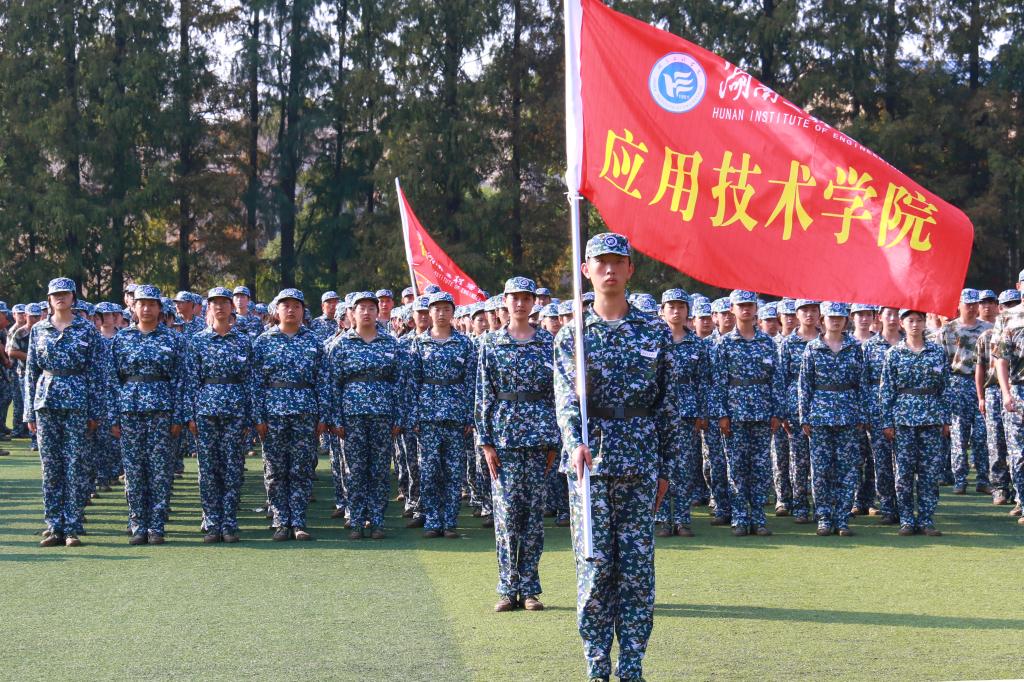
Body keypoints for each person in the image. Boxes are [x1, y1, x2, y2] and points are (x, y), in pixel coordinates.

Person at [553, 233, 673, 682]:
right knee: (594, 570)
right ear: (586, 271)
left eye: (617, 262)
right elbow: (565, 398)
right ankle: (597, 667)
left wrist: (667, 469)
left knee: (637, 574)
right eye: (599, 262)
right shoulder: (573, 335)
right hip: (591, 468)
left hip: (640, 465)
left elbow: (668, 404)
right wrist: (573, 443)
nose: (609, 269)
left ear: (629, 269)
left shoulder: (654, 332)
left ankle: (633, 666)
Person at [476, 277, 558, 612]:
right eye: (515, 298)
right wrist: (486, 442)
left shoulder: (548, 342)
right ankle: (508, 588)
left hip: (539, 438)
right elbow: (484, 394)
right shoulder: (491, 342)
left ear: (534, 302)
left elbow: (557, 393)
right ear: (505, 302)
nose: (521, 304)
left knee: (533, 516)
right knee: (507, 515)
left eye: (526, 298)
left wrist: (556, 440)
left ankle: (530, 589)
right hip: (504, 438)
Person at [24, 278, 106, 547]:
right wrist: (29, 413)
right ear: (49, 299)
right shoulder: (38, 329)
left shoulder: (87, 329)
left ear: (73, 298)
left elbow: (96, 373)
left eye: (65, 294)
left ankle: (72, 526)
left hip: (77, 403)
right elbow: (31, 372)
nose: (60, 298)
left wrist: (95, 412)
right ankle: (54, 526)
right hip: (46, 402)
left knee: (75, 465)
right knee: (50, 466)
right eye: (55, 294)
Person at [108, 284, 187, 545]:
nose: (146, 309)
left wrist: (178, 416)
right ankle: (137, 524)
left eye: (152, 304)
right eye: (142, 304)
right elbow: (112, 381)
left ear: (159, 308)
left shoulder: (173, 339)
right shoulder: (122, 339)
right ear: (133, 307)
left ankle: (156, 526)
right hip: (129, 410)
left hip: (162, 411)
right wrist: (113, 417)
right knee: (133, 469)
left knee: (160, 469)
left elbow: (181, 380)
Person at [328, 291, 408, 540]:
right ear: (351, 313)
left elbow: (400, 383)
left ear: (377, 312)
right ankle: (355, 519)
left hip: (383, 415)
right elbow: (333, 385)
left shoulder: (391, 344)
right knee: (354, 470)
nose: (366, 312)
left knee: (380, 470)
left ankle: (377, 520)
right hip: (352, 416)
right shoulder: (341, 345)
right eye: (360, 308)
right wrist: (336, 419)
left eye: (371, 308)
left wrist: (399, 418)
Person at [252, 289, 331, 541]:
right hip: (273, 413)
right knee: (275, 469)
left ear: (303, 311)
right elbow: (255, 383)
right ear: (276, 311)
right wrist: (258, 417)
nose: (291, 310)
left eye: (296, 306)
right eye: (285, 305)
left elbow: (323, 381)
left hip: (305, 412)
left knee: (302, 468)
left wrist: (323, 416)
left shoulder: (314, 341)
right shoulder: (263, 342)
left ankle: (298, 521)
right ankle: (280, 521)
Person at [711, 290, 785, 536]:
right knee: (737, 468)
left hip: (762, 413)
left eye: (749, 305)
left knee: (761, 468)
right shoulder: (724, 343)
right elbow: (718, 382)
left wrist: (777, 412)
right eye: (740, 305)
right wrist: (722, 414)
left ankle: (759, 518)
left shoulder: (767, 343)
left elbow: (776, 380)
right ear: (732, 309)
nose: (745, 309)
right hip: (735, 414)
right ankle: (740, 518)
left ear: (755, 309)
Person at [185, 287, 255, 543]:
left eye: (224, 302)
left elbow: (250, 381)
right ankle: (212, 522)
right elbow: (191, 381)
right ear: (208, 307)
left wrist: (249, 416)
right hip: (206, 411)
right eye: (215, 302)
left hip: (235, 411)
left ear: (231, 307)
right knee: (208, 469)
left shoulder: (243, 341)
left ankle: (229, 522)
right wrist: (190, 415)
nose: (220, 307)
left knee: (233, 467)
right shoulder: (197, 341)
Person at [409, 291, 476, 539]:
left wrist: (470, 416)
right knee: (429, 471)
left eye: (446, 309)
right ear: (429, 312)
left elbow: (471, 382)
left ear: (453, 312)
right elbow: (412, 382)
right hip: (428, 415)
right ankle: (432, 520)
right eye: (437, 309)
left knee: (453, 470)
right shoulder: (419, 343)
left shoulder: (465, 343)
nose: (441, 313)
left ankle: (449, 522)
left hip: (456, 414)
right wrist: (414, 415)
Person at [879, 309, 951, 536]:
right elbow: (886, 390)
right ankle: (907, 520)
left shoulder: (937, 352)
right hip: (903, 419)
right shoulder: (894, 353)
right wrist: (887, 422)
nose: (915, 324)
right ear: (902, 323)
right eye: (910, 320)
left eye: (919, 320)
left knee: (929, 472)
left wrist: (946, 419)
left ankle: (926, 519)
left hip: (931, 418)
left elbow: (945, 388)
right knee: (904, 473)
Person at [798, 302, 867, 536]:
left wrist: (862, 413)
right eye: (831, 317)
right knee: (821, 470)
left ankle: (842, 518)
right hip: (820, 415)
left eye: (840, 317)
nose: (835, 321)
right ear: (822, 320)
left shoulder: (854, 348)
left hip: (848, 414)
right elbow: (804, 385)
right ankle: (824, 517)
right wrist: (804, 416)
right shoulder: (812, 348)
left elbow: (862, 384)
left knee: (847, 470)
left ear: (846, 321)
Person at [938, 288, 992, 495]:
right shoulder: (948, 330)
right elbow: (941, 363)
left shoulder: (988, 329)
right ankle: (960, 480)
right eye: (967, 304)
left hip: (982, 385)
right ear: (959, 305)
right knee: (959, 436)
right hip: (957, 383)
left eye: (974, 304)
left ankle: (983, 479)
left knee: (981, 435)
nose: (971, 308)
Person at [777, 298, 821, 523]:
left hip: (824, 407)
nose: (810, 314)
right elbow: (781, 379)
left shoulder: (827, 340)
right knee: (799, 461)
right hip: (794, 409)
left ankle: (823, 507)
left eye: (814, 310)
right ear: (797, 314)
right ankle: (800, 506)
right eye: (805, 310)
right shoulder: (788, 343)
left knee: (822, 463)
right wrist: (782, 412)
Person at [977, 289, 1021, 507]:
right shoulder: (989, 335)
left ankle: (1018, 494)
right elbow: (985, 366)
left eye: (1014, 303)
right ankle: (1000, 487)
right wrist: (982, 396)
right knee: (997, 441)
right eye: (1007, 305)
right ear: (1000, 308)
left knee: (1016, 447)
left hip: (1015, 388)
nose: (1011, 308)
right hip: (998, 390)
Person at [861, 306, 904, 524]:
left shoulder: (909, 343)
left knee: (905, 462)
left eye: (897, 314)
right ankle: (887, 506)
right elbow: (862, 382)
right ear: (880, 317)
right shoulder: (869, 346)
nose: (893, 318)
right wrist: (866, 413)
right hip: (877, 409)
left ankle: (905, 506)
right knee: (882, 462)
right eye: (889, 314)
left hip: (906, 408)